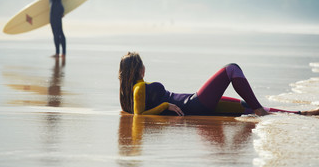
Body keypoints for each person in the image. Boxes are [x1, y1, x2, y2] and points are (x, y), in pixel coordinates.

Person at [119, 52, 319, 116]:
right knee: (231, 69)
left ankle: (304, 114)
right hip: (194, 104)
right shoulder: (138, 88)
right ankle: (259, 109)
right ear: (138, 69)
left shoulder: (134, 90)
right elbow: (139, 118)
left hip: (195, 102)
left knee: (245, 107)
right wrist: (165, 106)